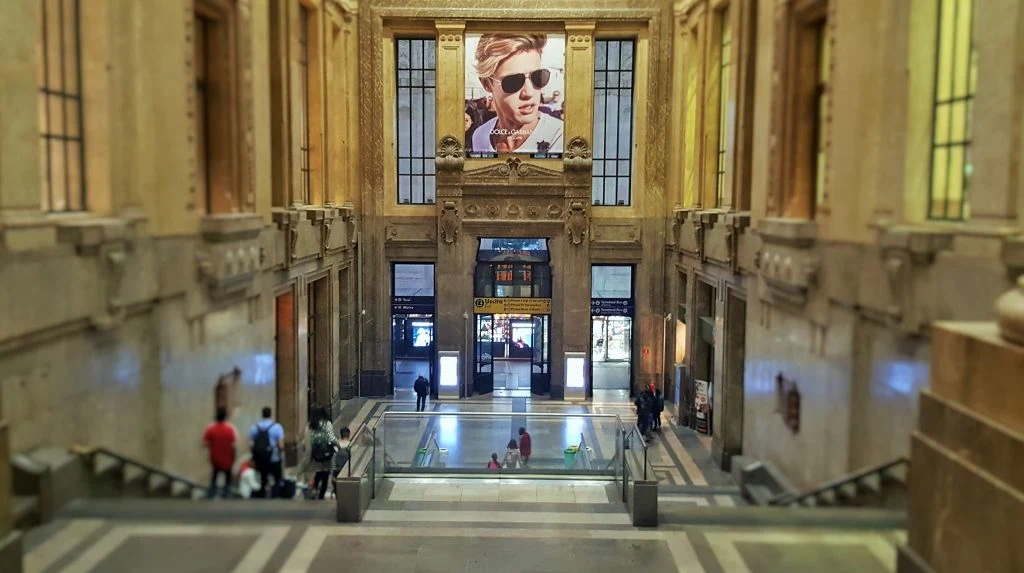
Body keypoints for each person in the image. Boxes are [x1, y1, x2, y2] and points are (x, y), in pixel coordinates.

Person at [469, 34, 564, 154]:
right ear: (487, 84)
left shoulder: (561, 137)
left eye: (538, 77)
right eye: (513, 81)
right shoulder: (479, 136)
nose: (529, 92)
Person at [249, 406, 285, 498]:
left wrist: (255, 455)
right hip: (274, 457)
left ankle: (263, 495)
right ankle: (275, 495)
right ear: (270, 414)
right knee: (277, 477)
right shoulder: (277, 427)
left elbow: (251, 444)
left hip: (261, 458)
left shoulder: (255, 427)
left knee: (263, 477)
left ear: (262, 415)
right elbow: (281, 445)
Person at [307, 407, 341, 500]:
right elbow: (331, 438)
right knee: (325, 475)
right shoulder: (327, 424)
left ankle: (314, 489)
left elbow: (311, 439)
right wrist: (339, 446)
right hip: (327, 452)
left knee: (318, 472)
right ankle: (321, 496)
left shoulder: (312, 425)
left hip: (316, 453)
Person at [203, 407, 237, 499]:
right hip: (228, 458)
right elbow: (234, 444)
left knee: (214, 476)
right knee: (227, 477)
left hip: (215, 457)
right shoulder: (230, 429)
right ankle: (226, 494)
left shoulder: (210, 428)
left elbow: (205, 443)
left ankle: (212, 494)